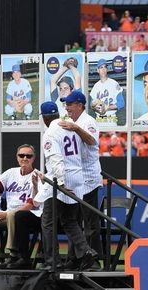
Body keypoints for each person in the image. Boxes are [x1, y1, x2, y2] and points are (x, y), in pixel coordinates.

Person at [36, 101, 97, 271]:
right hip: (78, 177)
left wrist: (61, 183)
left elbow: (55, 159)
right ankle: (86, 251)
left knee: (48, 221)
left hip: (60, 180)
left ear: (45, 118)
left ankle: (52, 262)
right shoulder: (71, 128)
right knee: (69, 220)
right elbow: (86, 152)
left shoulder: (50, 133)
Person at [58, 90, 103, 267]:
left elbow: (92, 141)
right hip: (75, 178)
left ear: (79, 105)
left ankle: (94, 260)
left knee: (90, 221)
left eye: (69, 104)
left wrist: (77, 128)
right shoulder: (70, 121)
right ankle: (76, 258)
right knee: (74, 221)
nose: (67, 107)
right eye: (66, 104)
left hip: (89, 178)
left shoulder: (88, 121)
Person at [90, 59, 124, 123]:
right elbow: (91, 103)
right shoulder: (96, 86)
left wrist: (106, 108)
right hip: (99, 119)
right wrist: (96, 108)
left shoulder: (114, 83)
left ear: (107, 69)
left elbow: (121, 103)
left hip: (111, 118)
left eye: (105, 67)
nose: (103, 69)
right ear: (98, 70)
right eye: (101, 67)